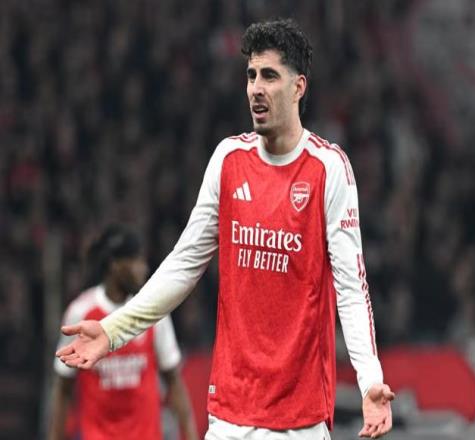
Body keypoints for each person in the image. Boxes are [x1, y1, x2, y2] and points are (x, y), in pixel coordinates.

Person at [57, 19, 395, 439]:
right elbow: (184, 264)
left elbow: (351, 287)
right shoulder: (228, 160)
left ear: (298, 87)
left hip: (299, 421)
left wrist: (369, 379)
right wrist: (112, 331)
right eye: (251, 75)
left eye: (269, 76)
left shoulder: (328, 169)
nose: (255, 88)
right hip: (229, 417)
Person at [49, 224, 198, 440]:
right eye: (137, 260)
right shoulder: (80, 313)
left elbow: (174, 382)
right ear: (115, 265)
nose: (143, 268)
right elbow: (64, 388)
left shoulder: (153, 311)